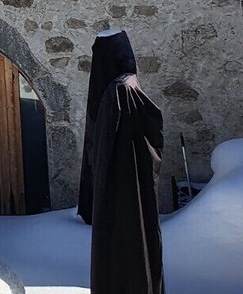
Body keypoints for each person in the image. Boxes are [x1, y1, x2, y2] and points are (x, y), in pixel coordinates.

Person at [77, 29, 165, 293]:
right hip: (137, 192)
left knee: (121, 262)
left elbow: (102, 154)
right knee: (143, 253)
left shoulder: (116, 94)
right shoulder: (131, 86)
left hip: (118, 198)